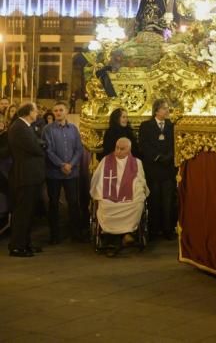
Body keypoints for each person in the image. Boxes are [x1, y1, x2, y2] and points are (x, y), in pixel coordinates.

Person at [90, 137, 148, 256]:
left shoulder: (136, 163)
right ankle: (114, 235)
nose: (118, 151)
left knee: (138, 202)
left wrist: (137, 190)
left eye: (122, 149)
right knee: (105, 204)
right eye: (117, 148)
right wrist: (101, 192)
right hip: (109, 196)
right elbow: (98, 180)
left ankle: (127, 233)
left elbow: (140, 181)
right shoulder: (106, 160)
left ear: (129, 150)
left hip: (129, 196)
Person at [42, 101, 83, 243]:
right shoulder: (47, 129)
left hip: (71, 173)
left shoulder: (73, 129)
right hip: (54, 173)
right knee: (53, 203)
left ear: (66, 112)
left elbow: (79, 149)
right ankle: (54, 235)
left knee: (73, 202)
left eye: (60, 110)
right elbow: (48, 150)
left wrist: (70, 165)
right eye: (56, 110)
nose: (58, 113)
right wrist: (61, 165)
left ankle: (76, 234)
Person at [7, 102, 45, 256]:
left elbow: (38, 144)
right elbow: (36, 148)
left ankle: (25, 243)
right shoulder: (19, 127)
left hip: (31, 175)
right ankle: (17, 246)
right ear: (29, 112)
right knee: (23, 212)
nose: (37, 113)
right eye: (35, 111)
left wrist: (41, 144)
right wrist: (42, 145)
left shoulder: (26, 126)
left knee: (29, 212)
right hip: (25, 176)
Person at [139, 98, 176, 240]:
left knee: (168, 200)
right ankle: (154, 229)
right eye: (164, 108)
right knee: (154, 199)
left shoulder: (171, 126)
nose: (167, 111)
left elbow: (174, 144)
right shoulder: (146, 126)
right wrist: (157, 157)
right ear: (156, 110)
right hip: (153, 168)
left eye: (167, 108)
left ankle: (167, 229)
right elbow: (144, 145)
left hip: (167, 169)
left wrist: (169, 157)